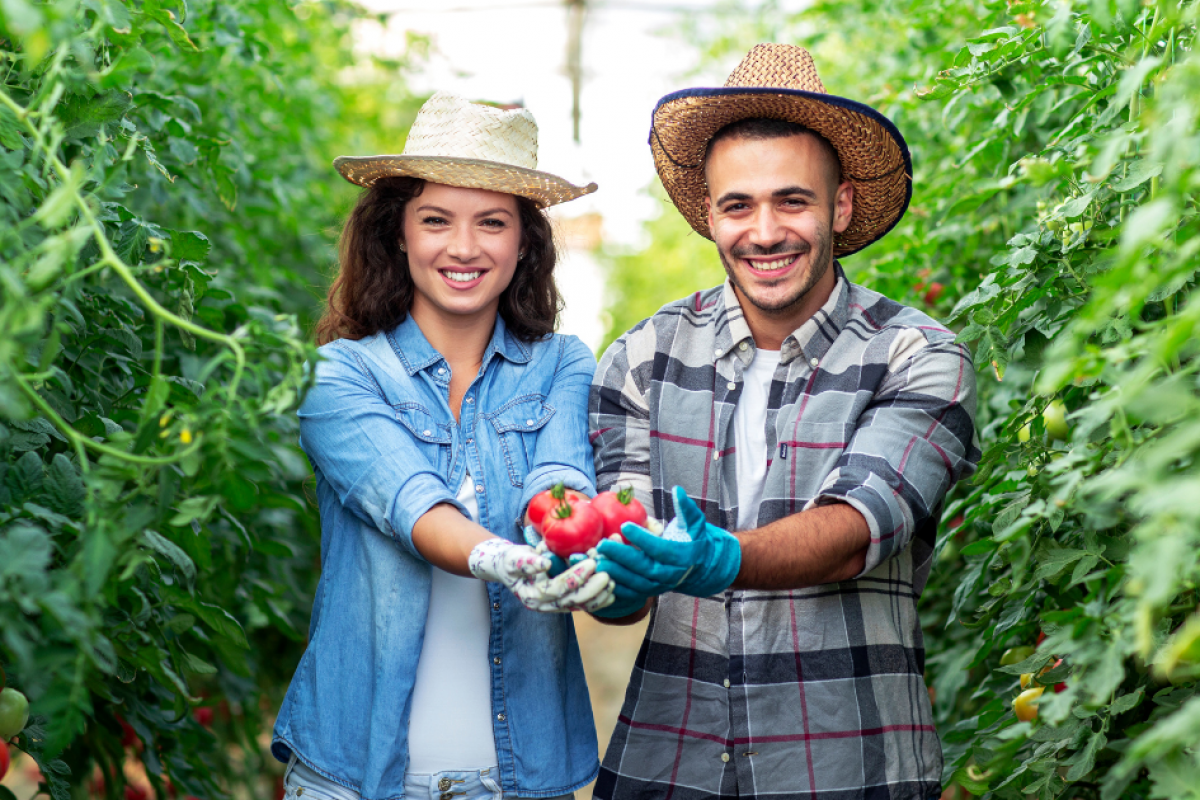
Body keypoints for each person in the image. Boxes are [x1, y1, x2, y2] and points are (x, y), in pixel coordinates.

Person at [588, 44, 981, 800]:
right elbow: (624, 573)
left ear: (838, 206)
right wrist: (603, 574)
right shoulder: (641, 359)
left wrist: (720, 560)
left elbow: (858, 528)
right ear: (710, 216)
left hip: (849, 767)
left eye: (792, 201)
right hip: (666, 766)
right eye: (738, 205)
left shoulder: (919, 355)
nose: (764, 232)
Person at [271, 92, 613, 800]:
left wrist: (583, 544)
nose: (463, 248)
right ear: (398, 233)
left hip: (523, 780)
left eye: (492, 222)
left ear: (524, 242)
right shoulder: (340, 375)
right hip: (354, 778)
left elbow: (560, 479)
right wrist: (508, 559)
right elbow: (410, 505)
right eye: (436, 221)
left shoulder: (563, 364)